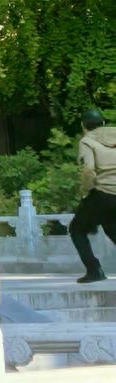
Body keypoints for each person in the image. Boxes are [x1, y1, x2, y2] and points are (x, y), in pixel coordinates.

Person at [71, 107, 116, 284]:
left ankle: (94, 270)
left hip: (103, 193)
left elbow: (88, 169)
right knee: (112, 228)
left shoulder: (87, 141)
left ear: (84, 125)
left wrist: (85, 191)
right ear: (103, 122)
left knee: (76, 229)